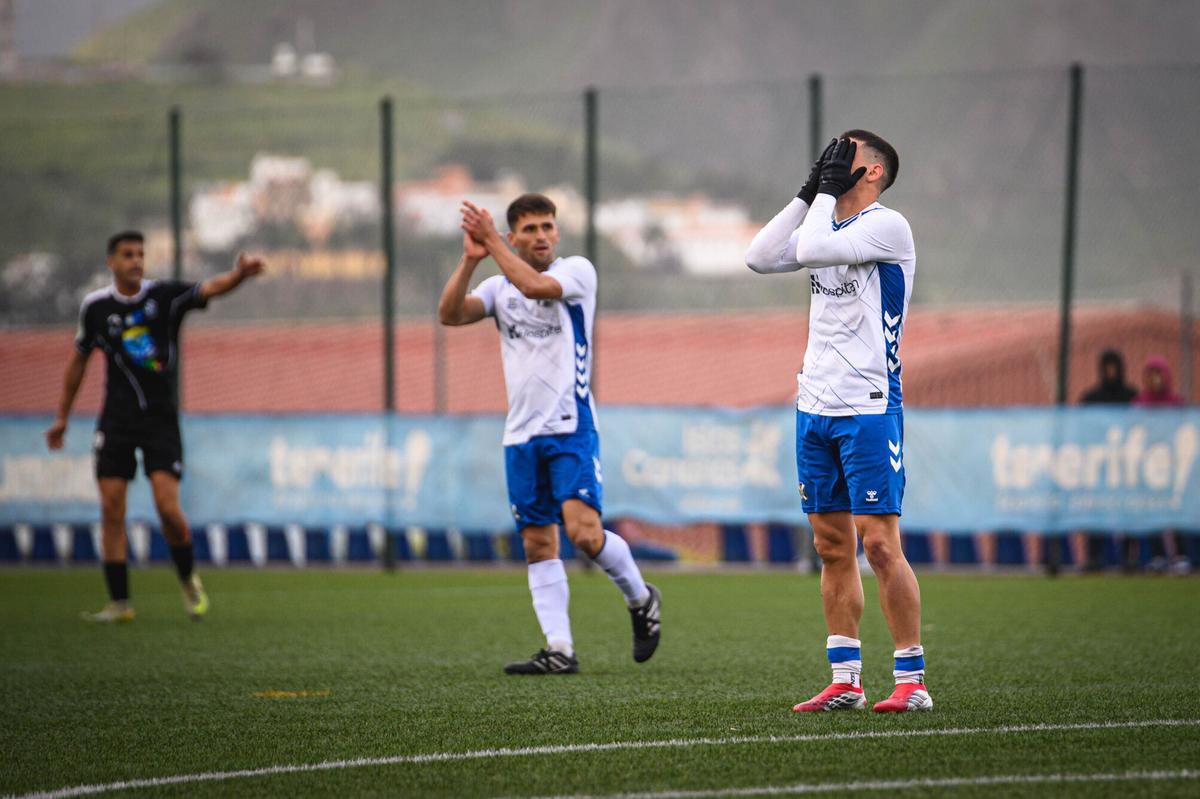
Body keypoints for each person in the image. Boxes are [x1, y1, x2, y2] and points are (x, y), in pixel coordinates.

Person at [440, 193, 661, 674]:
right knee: (538, 544)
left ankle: (641, 599)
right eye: (530, 229)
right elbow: (450, 314)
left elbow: (538, 287)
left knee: (583, 533)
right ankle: (560, 650)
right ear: (515, 235)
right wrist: (469, 259)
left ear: (556, 233)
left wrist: (492, 242)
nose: (541, 236)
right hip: (521, 436)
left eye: (547, 227)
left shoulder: (577, 271)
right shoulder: (498, 288)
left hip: (571, 427)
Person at [745, 133, 929, 713]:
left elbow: (819, 247)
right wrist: (806, 192)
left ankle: (911, 681)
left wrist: (824, 192)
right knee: (830, 546)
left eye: (841, 157)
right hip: (814, 405)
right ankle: (846, 680)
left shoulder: (887, 225)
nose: (830, 164)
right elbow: (760, 255)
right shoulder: (822, 222)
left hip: (869, 405)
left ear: (871, 172)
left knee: (879, 544)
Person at [46, 231, 265, 623]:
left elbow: (209, 288)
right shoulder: (95, 308)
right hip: (116, 421)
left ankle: (187, 578)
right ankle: (120, 604)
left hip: (161, 420)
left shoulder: (164, 298)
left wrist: (239, 276)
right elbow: (78, 362)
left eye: (141, 254)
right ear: (111, 261)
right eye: (128, 254)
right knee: (112, 508)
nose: (136, 261)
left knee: (169, 510)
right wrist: (62, 416)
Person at [1077, 349, 1138, 572]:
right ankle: (1094, 556)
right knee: (1097, 512)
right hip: (1100, 465)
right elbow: (1080, 429)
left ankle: (1128, 557)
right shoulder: (1091, 399)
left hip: (1125, 466)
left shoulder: (1132, 396)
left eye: (1114, 366)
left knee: (1128, 511)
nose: (1111, 372)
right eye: (1107, 366)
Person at [1133, 356, 1190, 575]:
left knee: (1176, 510)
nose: (1155, 380)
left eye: (1159, 374)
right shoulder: (1139, 404)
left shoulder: (1176, 403)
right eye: (1151, 375)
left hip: (1173, 466)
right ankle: (1157, 555)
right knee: (1154, 509)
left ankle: (1181, 555)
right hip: (1150, 467)